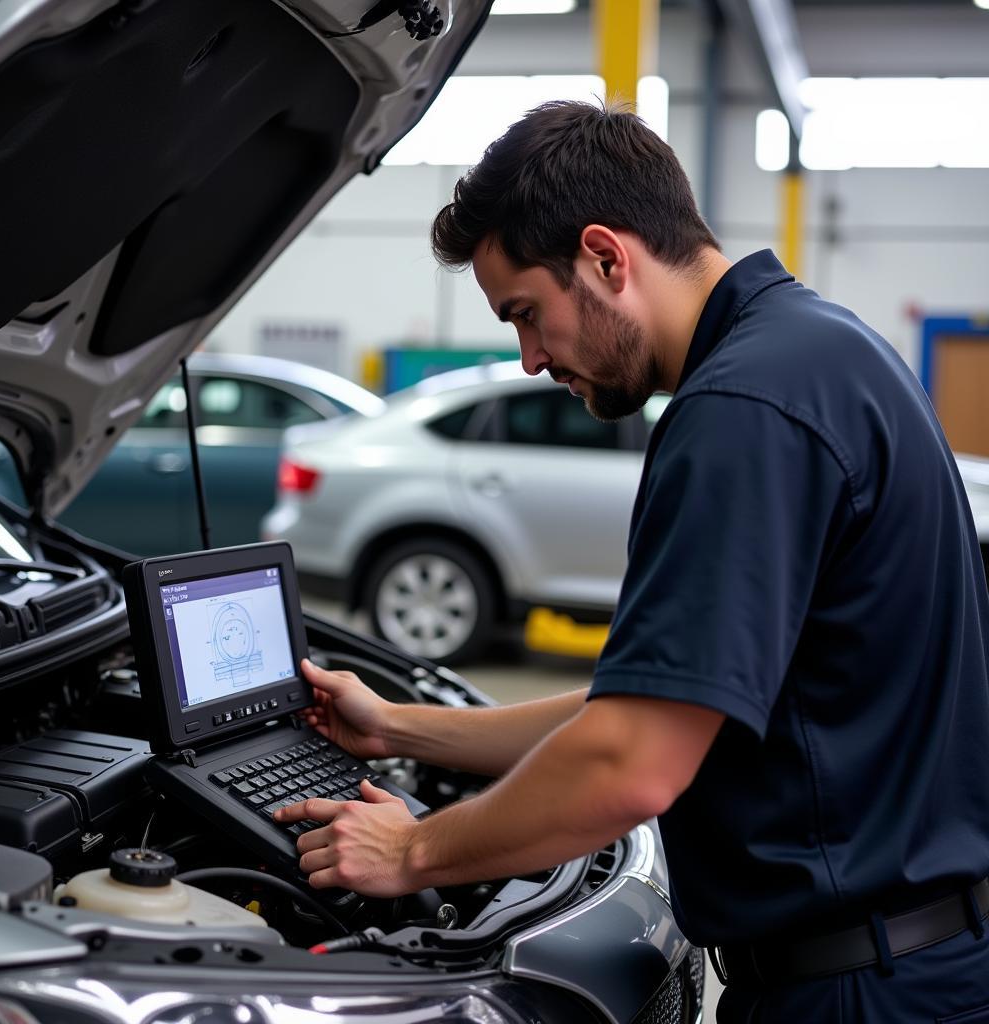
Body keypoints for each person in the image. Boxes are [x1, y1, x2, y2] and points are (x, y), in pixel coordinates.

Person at [275, 100, 989, 1021]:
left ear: (607, 258)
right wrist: (399, 728)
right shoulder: (826, 352)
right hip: (911, 963)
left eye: (527, 314)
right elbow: (658, 706)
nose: (529, 359)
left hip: (854, 993)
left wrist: (412, 853)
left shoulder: (743, 409)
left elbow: (631, 764)